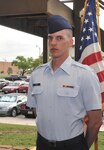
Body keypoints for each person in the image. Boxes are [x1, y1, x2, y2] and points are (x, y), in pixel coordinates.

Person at [27, 15, 102, 150]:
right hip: (42, 144)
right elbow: (37, 110)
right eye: (50, 38)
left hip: (72, 145)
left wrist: (83, 147)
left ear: (71, 42)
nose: (53, 43)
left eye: (59, 38)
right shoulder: (37, 74)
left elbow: (95, 121)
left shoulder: (85, 75)